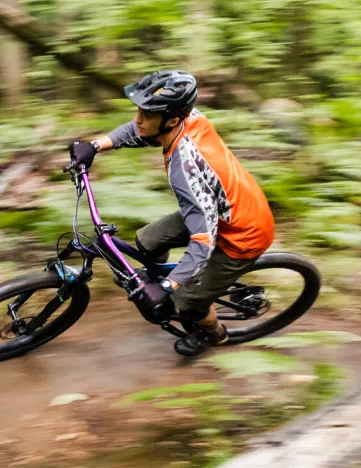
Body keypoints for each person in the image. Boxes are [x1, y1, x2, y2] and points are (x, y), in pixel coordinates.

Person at [69, 69, 275, 356]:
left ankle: (214, 335)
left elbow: (202, 242)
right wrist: (95, 146)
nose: (139, 119)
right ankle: (157, 279)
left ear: (173, 120)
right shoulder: (188, 117)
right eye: (140, 111)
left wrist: (167, 287)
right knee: (147, 241)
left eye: (147, 115)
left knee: (187, 303)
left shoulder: (186, 170)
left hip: (243, 234)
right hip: (222, 205)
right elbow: (138, 130)